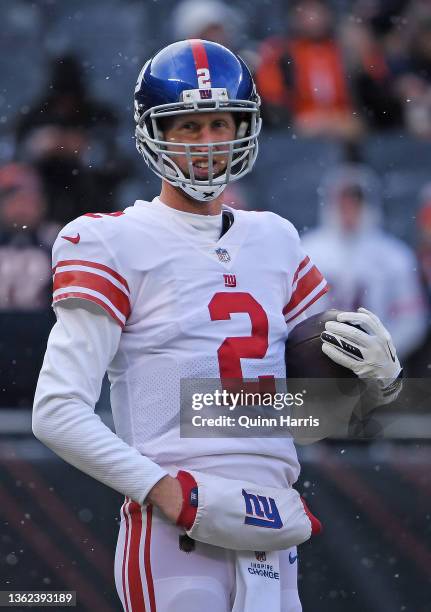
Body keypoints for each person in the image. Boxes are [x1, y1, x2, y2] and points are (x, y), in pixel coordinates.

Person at [32, 40, 402, 612]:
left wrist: (371, 388)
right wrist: (164, 490)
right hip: (177, 528)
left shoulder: (275, 238)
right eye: (188, 127)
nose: (207, 144)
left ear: (246, 126)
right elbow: (56, 410)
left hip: (271, 528)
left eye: (220, 124)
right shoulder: (110, 240)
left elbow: (298, 414)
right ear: (155, 133)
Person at [302, 164, 427, 361]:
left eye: (355, 203)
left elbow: (413, 319)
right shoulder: (306, 251)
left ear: (369, 204)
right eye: (343, 203)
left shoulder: (395, 255)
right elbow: (292, 315)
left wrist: (380, 353)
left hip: (378, 368)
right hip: (318, 362)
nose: (348, 211)